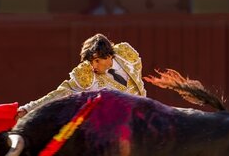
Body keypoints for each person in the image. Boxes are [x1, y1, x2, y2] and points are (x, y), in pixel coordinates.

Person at [17, 33, 146, 118]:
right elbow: (60, 93)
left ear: (108, 56)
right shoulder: (87, 73)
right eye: (91, 62)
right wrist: (28, 109)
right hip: (117, 126)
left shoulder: (126, 55)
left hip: (143, 114)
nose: (93, 67)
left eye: (96, 61)